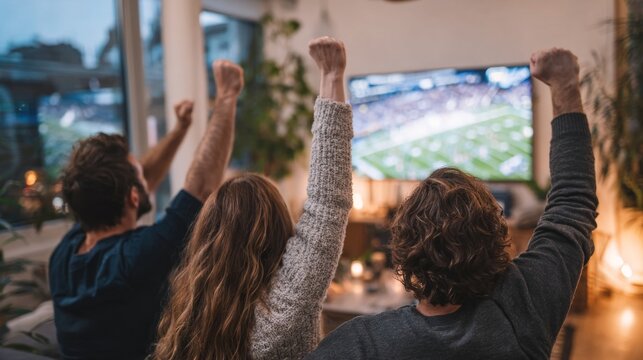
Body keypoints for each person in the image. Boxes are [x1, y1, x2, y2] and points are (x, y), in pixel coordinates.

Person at [307, 48, 598, 359]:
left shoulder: (360, 342)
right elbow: (572, 203)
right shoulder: (525, 308)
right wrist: (565, 84)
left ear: (402, 255)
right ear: (497, 242)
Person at [153, 36, 353, 360]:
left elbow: (325, 205)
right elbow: (326, 204)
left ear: (209, 236)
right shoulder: (277, 319)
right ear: (277, 230)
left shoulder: (191, 308)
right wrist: (331, 76)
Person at [49, 60, 244, 360]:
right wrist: (228, 95)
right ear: (132, 197)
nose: (147, 177)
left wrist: (180, 130)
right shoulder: (137, 258)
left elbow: (142, 181)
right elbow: (202, 187)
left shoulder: (64, 255)